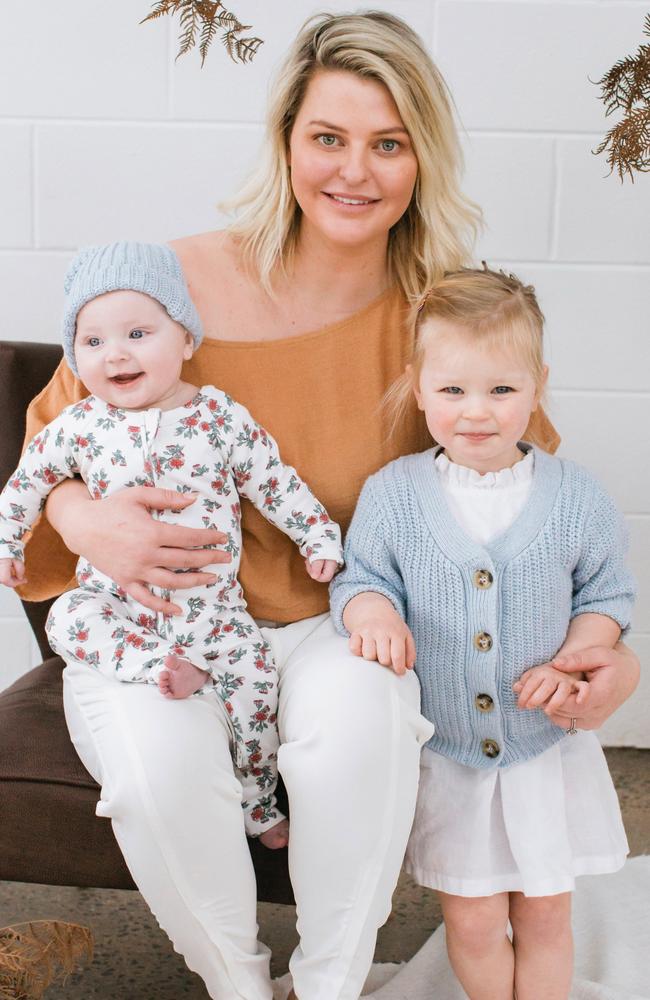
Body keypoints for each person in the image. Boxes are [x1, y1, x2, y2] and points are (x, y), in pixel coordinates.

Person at [16, 12, 639, 1000]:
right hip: (157, 621)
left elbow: (526, 509)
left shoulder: (438, 315)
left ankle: (330, 986)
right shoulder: (173, 282)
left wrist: (604, 648)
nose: (354, 171)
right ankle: (237, 984)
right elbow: (44, 450)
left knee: (363, 728)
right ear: (286, 143)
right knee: (154, 776)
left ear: (420, 157)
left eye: (387, 143)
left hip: (333, 621)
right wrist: (81, 520)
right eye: (327, 138)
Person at [329, 266, 635, 1000]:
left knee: (547, 913)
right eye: (453, 390)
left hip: (544, 750)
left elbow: (608, 596)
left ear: (538, 386)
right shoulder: (396, 493)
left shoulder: (575, 495)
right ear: (417, 384)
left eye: (501, 390)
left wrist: (578, 658)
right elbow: (361, 576)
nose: (477, 412)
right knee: (471, 922)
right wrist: (371, 612)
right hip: (454, 758)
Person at [0, 240, 342, 850]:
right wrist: (9, 540)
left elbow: (274, 480)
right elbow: (26, 482)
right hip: (116, 604)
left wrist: (317, 536)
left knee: (257, 679)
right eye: (93, 341)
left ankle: (257, 800)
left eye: (138, 331)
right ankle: (159, 669)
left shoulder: (217, 416)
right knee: (68, 621)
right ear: (75, 357)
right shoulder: (77, 424)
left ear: (185, 339)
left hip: (211, 607)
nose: (117, 354)